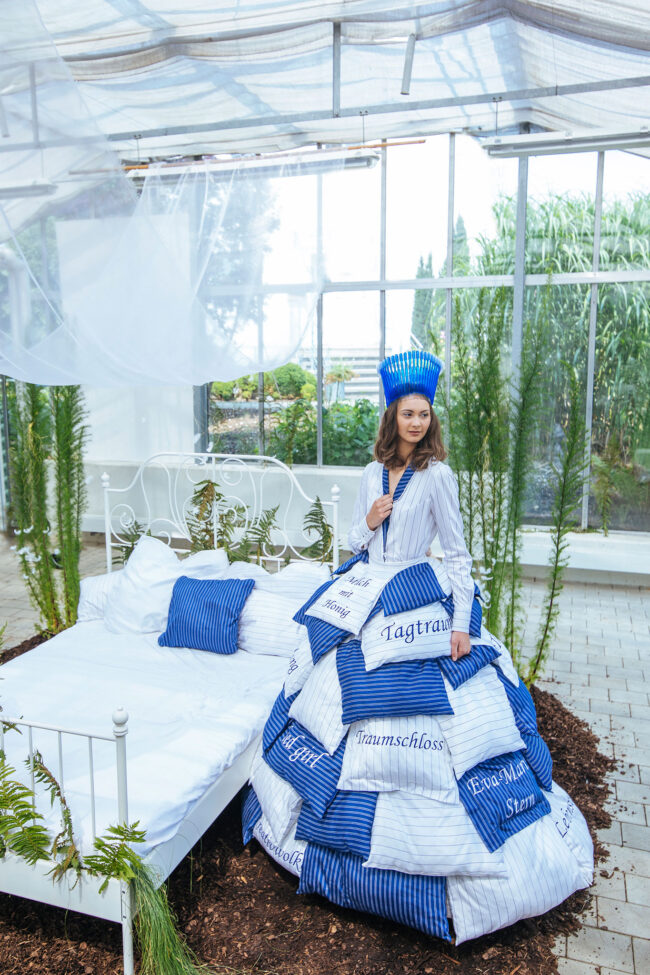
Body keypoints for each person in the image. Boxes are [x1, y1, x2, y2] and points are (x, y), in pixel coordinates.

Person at [243, 350, 594, 945]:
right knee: (333, 696)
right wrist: (369, 520)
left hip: (416, 599)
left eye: (424, 414)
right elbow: (353, 543)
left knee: (439, 715)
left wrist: (460, 622)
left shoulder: (438, 476)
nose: (416, 422)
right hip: (367, 598)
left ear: (431, 418)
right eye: (408, 414)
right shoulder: (369, 473)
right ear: (392, 417)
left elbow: (456, 554)